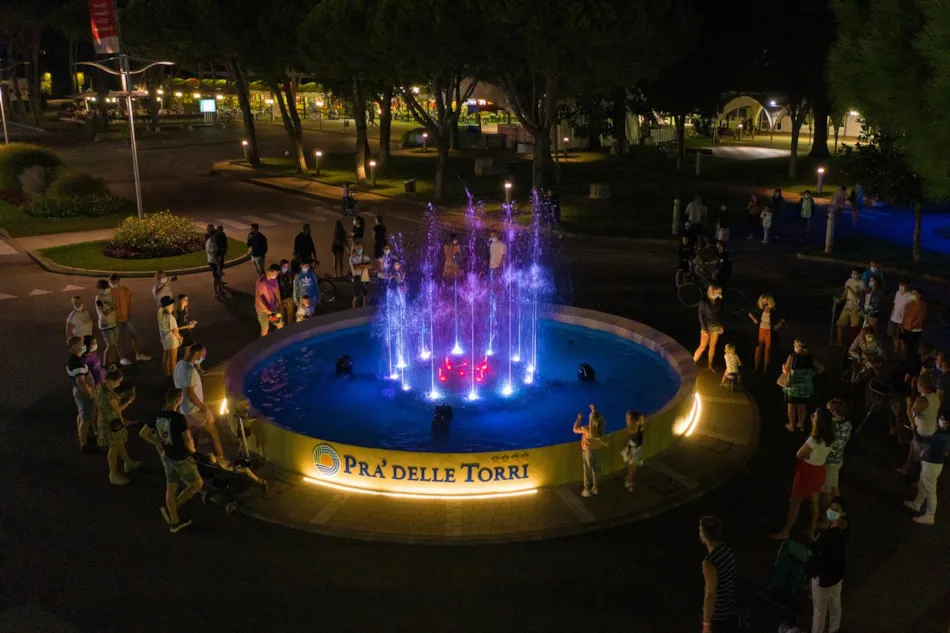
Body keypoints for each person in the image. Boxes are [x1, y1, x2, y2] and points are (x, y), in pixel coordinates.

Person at [139, 388, 202, 533]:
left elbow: (143, 433)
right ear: (177, 400)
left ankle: (174, 521)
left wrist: (158, 443)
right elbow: (187, 441)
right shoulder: (179, 418)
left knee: (172, 486)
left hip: (165, 456)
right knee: (197, 484)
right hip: (180, 457)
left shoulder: (156, 415)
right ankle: (172, 509)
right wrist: (193, 450)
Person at [771, 407, 836, 540]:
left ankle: (786, 531)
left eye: (815, 416)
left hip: (807, 472)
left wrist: (807, 457)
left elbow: (799, 454)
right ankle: (811, 532)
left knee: (795, 502)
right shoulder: (831, 438)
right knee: (814, 501)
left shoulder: (814, 439)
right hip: (819, 472)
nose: (813, 417)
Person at [173, 343, 226, 464]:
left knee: (193, 436)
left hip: (184, 408)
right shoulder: (190, 370)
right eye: (203, 355)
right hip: (194, 409)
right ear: (196, 354)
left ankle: (193, 459)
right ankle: (221, 459)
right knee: (213, 433)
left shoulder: (179, 365)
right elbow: (191, 393)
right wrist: (204, 408)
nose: (204, 358)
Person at [807, 497, 849, 633]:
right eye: (831, 507)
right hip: (837, 576)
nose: (831, 510)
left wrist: (819, 533)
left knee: (819, 610)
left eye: (836, 509)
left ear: (843, 513)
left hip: (823, 578)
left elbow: (813, 549)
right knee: (835, 604)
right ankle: (834, 629)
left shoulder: (826, 534)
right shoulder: (845, 530)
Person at [96, 369, 141, 485]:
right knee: (114, 447)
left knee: (119, 443)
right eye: (118, 381)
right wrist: (129, 401)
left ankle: (129, 462)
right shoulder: (110, 395)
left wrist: (120, 396)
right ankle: (113, 474)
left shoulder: (100, 386)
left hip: (104, 420)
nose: (119, 384)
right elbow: (117, 409)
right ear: (111, 380)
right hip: (112, 423)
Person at [905, 413, 950, 525]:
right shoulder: (943, 433)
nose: (940, 419)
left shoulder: (942, 436)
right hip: (933, 463)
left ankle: (930, 516)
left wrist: (914, 428)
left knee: (930, 490)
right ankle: (917, 503)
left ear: (947, 423)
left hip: (932, 464)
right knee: (923, 483)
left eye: (942, 419)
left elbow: (922, 442)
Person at [699, 516, 738, 633]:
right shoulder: (728, 549)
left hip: (719, 614)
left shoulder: (709, 563)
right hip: (732, 606)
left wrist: (706, 624)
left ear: (704, 536)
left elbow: (711, 594)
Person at [897, 371, 939, 477]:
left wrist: (908, 405)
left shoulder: (921, 400)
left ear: (919, 384)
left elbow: (911, 415)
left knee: (922, 460)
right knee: (913, 450)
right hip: (931, 431)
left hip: (923, 434)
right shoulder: (934, 397)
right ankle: (905, 468)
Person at [109, 273, 150, 364]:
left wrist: (129, 313)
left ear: (119, 281)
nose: (113, 284)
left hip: (126, 318)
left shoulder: (125, 290)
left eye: (114, 282)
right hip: (115, 320)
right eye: (111, 282)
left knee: (134, 335)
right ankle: (122, 358)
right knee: (119, 339)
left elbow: (129, 303)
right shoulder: (108, 292)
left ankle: (138, 354)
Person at [782, 339, 821, 432]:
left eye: (795, 346)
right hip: (805, 388)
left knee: (791, 407)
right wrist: (812, 373)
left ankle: (791, 425)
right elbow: (821, 368)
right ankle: (801, 424)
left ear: (798, 347)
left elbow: (786, 371)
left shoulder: (793, 357)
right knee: (802, 406)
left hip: (793, 387)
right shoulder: (810, 358)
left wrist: (783, 367)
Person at [68, 336, 98, 454]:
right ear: (74, 348)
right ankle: (84, 445)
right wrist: (90, 393)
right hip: (84, 393)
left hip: (81, 392)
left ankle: (82, 437)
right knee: (86, 419)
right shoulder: (76, 363)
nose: (84, 345)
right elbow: (81, 382)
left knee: (82, 415)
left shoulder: (76, 359)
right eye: (81, 343)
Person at [820, 399, 852, 510]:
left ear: (834, 412)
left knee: (826, 490)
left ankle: (826, 511)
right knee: (834, 484)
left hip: (830, 462)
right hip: (838, 460)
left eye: (829, 410)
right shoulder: (847, 424)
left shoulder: (836, 429)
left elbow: (830, 446)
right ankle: (836, 506)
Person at [573, 404, 607, 497]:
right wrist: (594, 411)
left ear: (590, 421)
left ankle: (587, 490)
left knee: (587, 471)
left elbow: (575, 429)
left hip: (588, 453)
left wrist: (579, 418)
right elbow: (599, 420)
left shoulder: (586, 429)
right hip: (598, 452)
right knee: (597, 470)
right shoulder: (600, 429)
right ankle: (595, 488)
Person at [748, 293, 784, 374]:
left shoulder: (774, 310)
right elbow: (750, 312)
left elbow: (784, 317)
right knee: (758, 349)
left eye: (766, 300)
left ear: (769, 300)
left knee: (767, 351)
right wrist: (755, 320)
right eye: (762, 300)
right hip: (760, 330)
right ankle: (756, 368)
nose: (764, 302)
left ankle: (765, 370)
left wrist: (778, 325)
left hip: (769, 331)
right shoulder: (760, 309)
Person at [693, 285, 724, 371]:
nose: (719, 294)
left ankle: (710, 365)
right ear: (712, 291)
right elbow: (701, 315)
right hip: (706, 326)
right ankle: (692, 364)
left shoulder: (718, 300)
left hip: (716, 327)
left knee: (712, 346)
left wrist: (721, 325)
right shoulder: (704, 301)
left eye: (720, 292)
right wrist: (705, 329)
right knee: (702, 347)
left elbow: (719, 314)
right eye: (717, 292)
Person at [834, 269, 866, 348]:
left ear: (860, 275)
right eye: (852, 273)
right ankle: (839, 342)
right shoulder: (849, 281)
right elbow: (845, 293)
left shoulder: (862, 284)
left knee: (854, 328)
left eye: (855, 273)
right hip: (847, 306)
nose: (853, 274)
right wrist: (839, 301)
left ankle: (853, 346)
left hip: (856, 308)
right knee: (840, 324)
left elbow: (859, 296)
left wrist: (850, 289)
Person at [95, 279, 121, 367]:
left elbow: (116, 306)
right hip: (105, 325)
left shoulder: (110, 295)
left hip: (113, 323)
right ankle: (106, 365)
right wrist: (111, 306)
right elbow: (104, 313)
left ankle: (112, 363)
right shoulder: (99, 299)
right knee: (110, 346)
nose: (108, 288)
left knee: (113, 345)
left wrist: (111, 306)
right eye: (106, 287)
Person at [254, 264, 284, 337]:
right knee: (265, 328)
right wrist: (266, 310)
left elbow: (276, 291)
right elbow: (258, 298)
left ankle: (282, 339)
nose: (276, 276)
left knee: (280, 323)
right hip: (262, 310)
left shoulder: (274, 279)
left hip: (273, 306)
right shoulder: (261, 282)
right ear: (270, 272)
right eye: (276, 274)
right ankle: (264, 345)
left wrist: (279, 302)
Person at [158, 296, 183, 377]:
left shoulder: (160, 314)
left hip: (164, 339)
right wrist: (180, 338)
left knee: (166, 357)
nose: (173, 306)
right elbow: (174, 330)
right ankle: (174, 376)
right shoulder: (170, 317)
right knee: (173, 359)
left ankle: (167, 374)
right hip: (172, 340)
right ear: (168, 306)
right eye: (171, 305)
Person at [900, 287, 927, 360]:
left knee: (913, 347)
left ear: (919, 295)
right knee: (906, 345)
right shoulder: (909, 304)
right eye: (912, 293)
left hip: (914, 330)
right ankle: (906, 359)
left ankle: (912, 360)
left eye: (914, 294)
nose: (912, 295)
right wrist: (902, 325)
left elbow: (920, 319)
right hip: (906, 328)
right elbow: (905, 315)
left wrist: (910, 326)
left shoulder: (922, 305)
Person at [888, 278, 912, 357]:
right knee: (895, 337)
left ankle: (902, 356)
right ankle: (896, 353)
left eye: (903, 285)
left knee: (902, 340)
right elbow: (895, 305)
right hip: (894, 319)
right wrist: (891, 317)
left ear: (908, 286)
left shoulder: (909, 296)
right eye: (900, 285)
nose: (901, 287)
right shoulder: (898, 293)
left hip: (902, 321)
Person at [622, 410, 645, 492]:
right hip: (634, 448)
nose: (627, 419)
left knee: (630, 465)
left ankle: (628, 478)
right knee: (633, 467)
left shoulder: (633, 425)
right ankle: (629, 482)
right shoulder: (634, 427)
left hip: (634, 447)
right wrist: (640, 424)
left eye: (628, 417)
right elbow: (636, 432)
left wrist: (640, 424)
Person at [349, 242, 373, 309]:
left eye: (361, 248)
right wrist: (365, 266)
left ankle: (365, 309)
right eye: (358, 248)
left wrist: (362, 266)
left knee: (365, 295)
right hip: (357, 278)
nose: (360, 249)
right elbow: (355, 268)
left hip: (365, 277)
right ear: (355, 248)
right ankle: (354, 311)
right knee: (356, 296)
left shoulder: (366, 257)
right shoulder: (352, 257)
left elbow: (370, 266)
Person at [205, 231, 226, 299]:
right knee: (216, 277)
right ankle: (215, 292)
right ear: (213, 235)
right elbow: (214, 255)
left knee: (218, 276)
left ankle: (219, 290)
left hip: (212, 261)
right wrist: (218, 265)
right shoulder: (212, 242)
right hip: (214, 262)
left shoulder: (209, 240)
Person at [277, 259, 296, 325]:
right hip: (280, 299)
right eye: (284, 267)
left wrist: (291, 297)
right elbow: (277, 289)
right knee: (280, 316)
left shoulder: (290, 274)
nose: (286, 268)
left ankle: (290, 329)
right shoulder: (277, 276)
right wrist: (281, 300)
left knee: (290, 315)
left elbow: (293, 286)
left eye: (287, 267)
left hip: (289, 298)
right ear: (281, 266)